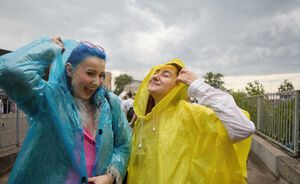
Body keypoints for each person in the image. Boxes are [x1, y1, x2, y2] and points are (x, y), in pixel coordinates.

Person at [0, 37, 132, 184]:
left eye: (101, 75)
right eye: (90, 73)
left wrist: (110, 176)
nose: (96, 81)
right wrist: (48, 48)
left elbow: (124, 144)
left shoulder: (110, 103)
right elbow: (8, 71)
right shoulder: (49, 99)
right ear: (69, 70)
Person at [127, 59, 255, 184]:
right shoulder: (144, 122)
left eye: (165, 75)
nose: (155, 76)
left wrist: (197, 85)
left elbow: (243, 128)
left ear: (178, 86)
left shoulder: (191, 115)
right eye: (155, 73)